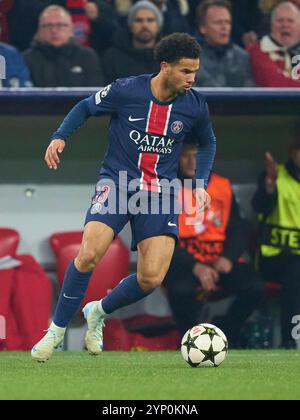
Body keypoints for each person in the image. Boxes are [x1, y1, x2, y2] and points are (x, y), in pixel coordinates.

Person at [31, 32, 216, 362]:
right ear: (165, 67)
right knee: (88, 253)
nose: (192, 79)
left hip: (161, 194)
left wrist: (200, 183)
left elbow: (208, 142)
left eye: (195, 72)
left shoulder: (195, 105)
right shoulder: (126, 89)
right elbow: (85, 107)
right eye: (186, 71)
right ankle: (56, 332)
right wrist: (60, 137)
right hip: (117, 185)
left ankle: (98, 312)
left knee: (152, 278)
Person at [163, 141, 263, 347]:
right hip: (185, 263)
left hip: (219, 259)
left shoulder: (222, 186)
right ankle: (191, 340)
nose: (193, 162)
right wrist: (196, 267)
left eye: (197, 156)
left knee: (254, 287)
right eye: (186, 156)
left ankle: (224, 331)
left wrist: (228, 257)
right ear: (177, 159)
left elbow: (239, 228)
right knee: (180, 290)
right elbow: (161, 238)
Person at [252, 131, 300, 348]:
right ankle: (290, 340)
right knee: (295, 269)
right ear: (292, 152)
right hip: (272, 258)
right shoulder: (275, 174)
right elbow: (259, 206)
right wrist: (270, 184)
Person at [23, 5, 104, 87]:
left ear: (71, 29)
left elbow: (95, 93)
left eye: (60, 25)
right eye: (48, 26)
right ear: (39, 30)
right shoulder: (26, 59)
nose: (54, 30)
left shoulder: (87, 57)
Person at [194, 0, 255, 88]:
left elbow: (251, 93)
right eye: (218, 22)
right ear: (202, 28)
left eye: (228, 22)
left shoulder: (242, 57)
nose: (224, 27)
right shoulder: (190, 57)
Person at [101, 1, 161, 84]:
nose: (145, 25)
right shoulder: (112, 58)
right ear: (130, 25)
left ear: (158, 26)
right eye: (138, 20)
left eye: (150, 20)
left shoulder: (169, 58)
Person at [248, 2, 300, 87]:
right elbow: (273, 84)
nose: (285, 25)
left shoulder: (297, 54)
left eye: (290, 21)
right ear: (271, 25)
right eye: (280, 21)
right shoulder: (257, 50)